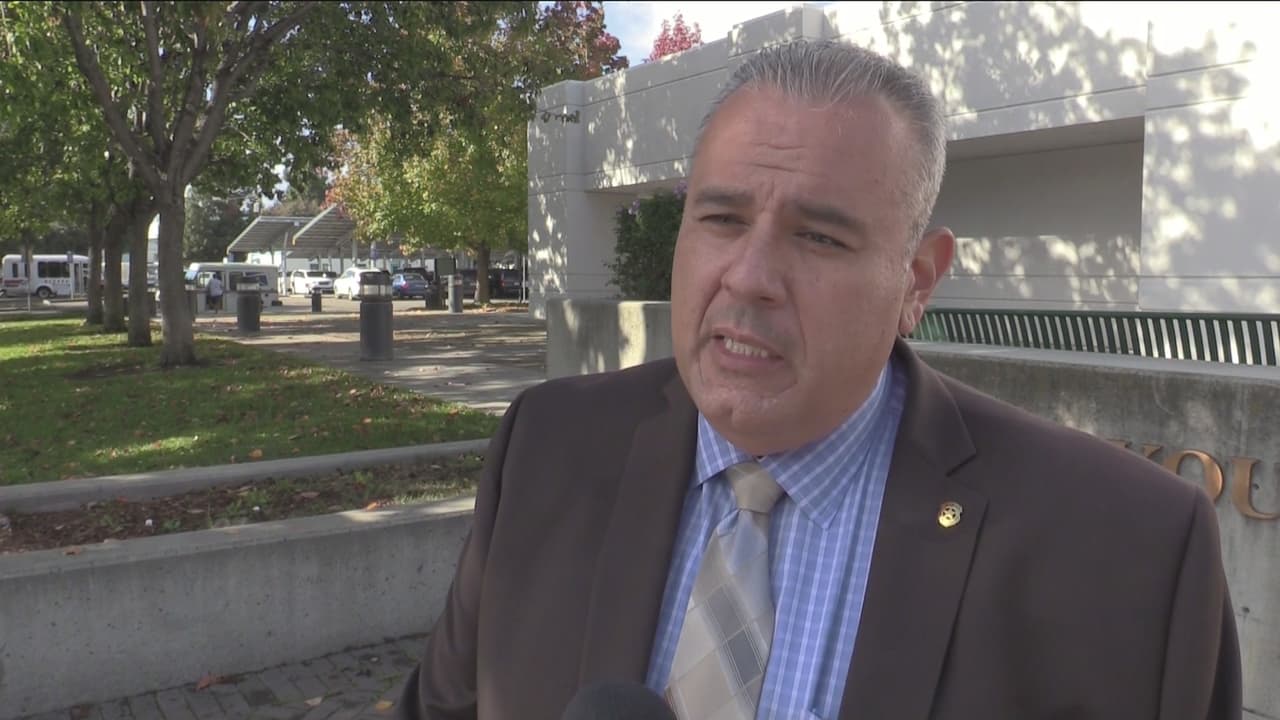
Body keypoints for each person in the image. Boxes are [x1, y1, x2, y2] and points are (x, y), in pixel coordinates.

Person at [396, 40, 1240, 719]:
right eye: (721, 218)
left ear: (917, 281)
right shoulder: (547, 447)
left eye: (820, 239)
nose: (749, 276)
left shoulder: (1131, 551)